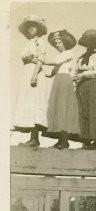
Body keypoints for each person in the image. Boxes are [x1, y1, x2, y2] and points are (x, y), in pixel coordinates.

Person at [14, 15, 48, 147]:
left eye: (33, 26)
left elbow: (41, 58)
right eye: (29, 26)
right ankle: (32, 138)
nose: (31, 28)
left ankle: (35, 139)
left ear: (38, 28)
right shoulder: (29, 43)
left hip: (35, 72)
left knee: (34, 102)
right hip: (27, 71)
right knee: (28, 102)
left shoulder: (41, 41)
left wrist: (34, 75)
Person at [45, 29, 80, 149]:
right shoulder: (59, 55)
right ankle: (61, 139)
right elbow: (53, 71)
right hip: (58, 80)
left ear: (64, 42)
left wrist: (40, 61)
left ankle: (64, 140)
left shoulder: (68, 53)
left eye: (59, 42)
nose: (57, 44)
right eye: (55, 43)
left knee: (63, 108)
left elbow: (56, 62)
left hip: (65, 80)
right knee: (58, 108)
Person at [74, 29, 96, 150]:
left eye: (93, 41)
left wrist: (84, 74)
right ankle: (86, 140)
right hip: (81, 86)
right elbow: (76, 71)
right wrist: (76, 79)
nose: (90, 44)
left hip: (93, 84)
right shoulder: (80, 57)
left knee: (94, 110)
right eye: (88, 41)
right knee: (83, 110)